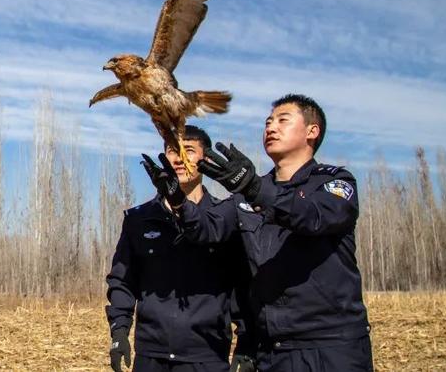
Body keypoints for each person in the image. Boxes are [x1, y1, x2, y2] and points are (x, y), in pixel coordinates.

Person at [147, 94, 373, 371]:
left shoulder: (334, 183)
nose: (271, 127)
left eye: (282, 120)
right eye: (267, 122)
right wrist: (178, 202)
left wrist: (254, 189)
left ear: (312, 131)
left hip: (332, 346)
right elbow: (207, 229)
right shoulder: (246, 196)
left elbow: (313, 217)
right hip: (273, 351)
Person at [106, 125, 255, 372]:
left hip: (206, 355)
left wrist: (247, 344)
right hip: (151, 356)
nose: (177, 158)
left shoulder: (225, 218)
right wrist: (119, 330)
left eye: (188, 150)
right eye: (171, 151)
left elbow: (242, 286)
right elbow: (122, 281)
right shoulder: (139, 219)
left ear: (205, 159)